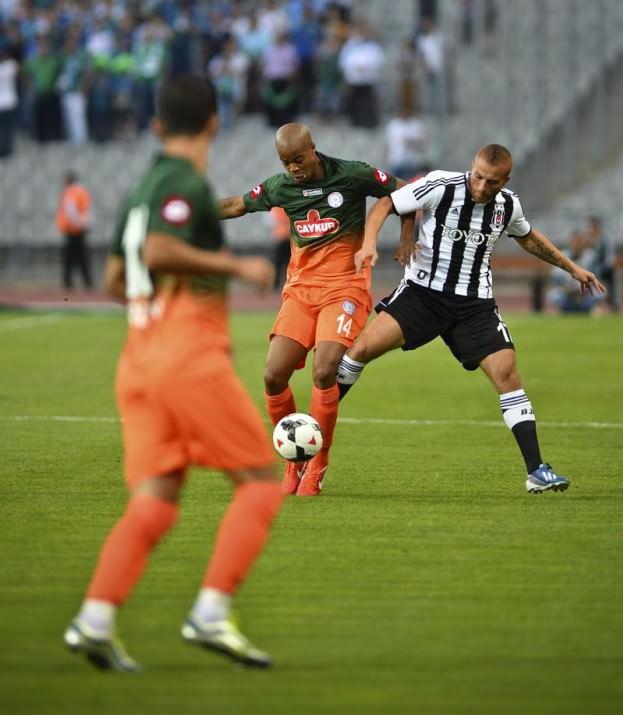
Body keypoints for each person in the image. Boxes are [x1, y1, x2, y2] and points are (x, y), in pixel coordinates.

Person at [63, 76, 283, 672]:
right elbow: (159, 251)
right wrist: (236, 267)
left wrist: (154, 309)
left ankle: (95, 620)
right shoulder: (184, 182)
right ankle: (212, 612)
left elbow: (116, 279)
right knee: (261, 483)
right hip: (185, 355)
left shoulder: (141, 188)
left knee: (157, 499)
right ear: (215, 122)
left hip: (138, 357)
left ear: (157, 126)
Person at [337, 144, 605, 494]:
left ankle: (536, 470)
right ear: (471, 167)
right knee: (359, 351)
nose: (481, 186)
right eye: (478, 176)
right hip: (423, 295)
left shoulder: (507, 205)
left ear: (505, 180)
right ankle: (315, 425)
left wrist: (572, 268)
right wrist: (369, 243)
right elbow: (388, 202)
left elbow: (527, 237)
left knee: (507, 374)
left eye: (491, 182)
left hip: (474, 305)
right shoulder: (441, 185)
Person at [218, 123, 405, 496]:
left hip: (345, 289)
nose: (293, 169)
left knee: (324, 370)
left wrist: (407, 235)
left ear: (313, 149)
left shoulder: (352, 175)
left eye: (298, 160)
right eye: (286, 162)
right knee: (273, 375)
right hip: (301, 293)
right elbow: (237, 204)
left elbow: (404, 192)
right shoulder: (280, 187)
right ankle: (294, 459)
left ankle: (317, 463)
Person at [56, 170, 93, 290]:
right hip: (78, 229)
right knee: (82, 257)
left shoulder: (70, 192)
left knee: (70, 258)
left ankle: (68, 281)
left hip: (72, 229)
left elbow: (71, 210)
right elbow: (86, 210)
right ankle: (87, 281)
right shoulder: (82, 191)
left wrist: (78, 222)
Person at [585, 216, 619, 313]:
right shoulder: (587, 241)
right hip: (592, 270)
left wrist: (601, 269)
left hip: (605, 271)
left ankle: (612, 305)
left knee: (609, 286)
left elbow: (610, 258)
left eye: (591, 227)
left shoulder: (605, 240)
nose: (589, 230)